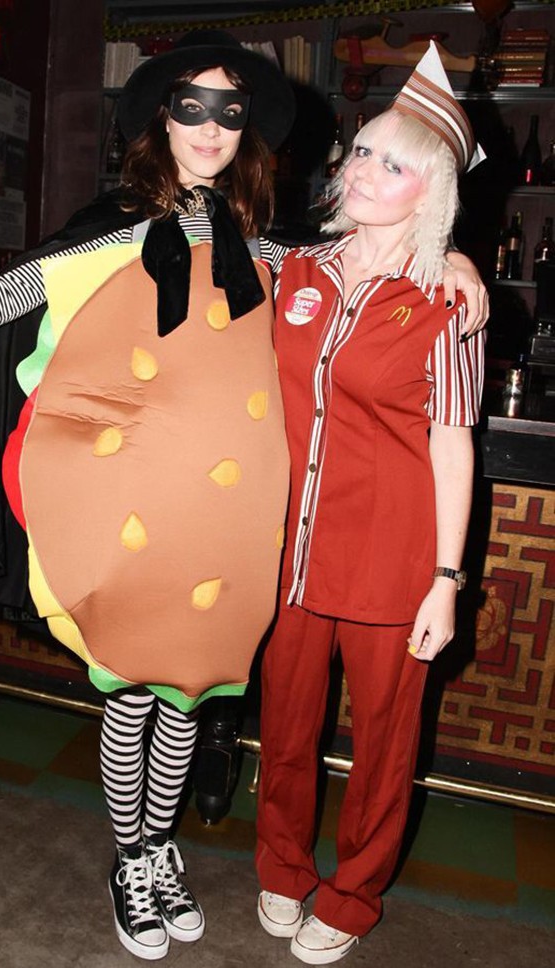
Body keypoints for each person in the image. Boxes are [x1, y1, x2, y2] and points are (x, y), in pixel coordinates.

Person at [0, 31, 484, 964]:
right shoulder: (113, 233)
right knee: (131, 693)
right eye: (190, 107)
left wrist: (453, 258)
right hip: (133, 512)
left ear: (246, 127)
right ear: (159, 122)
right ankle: (132, 858)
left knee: (187, 697)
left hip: (227, 526)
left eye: (229, 111)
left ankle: (160, 845)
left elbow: (381, 246)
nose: (210, 128)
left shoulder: (275, 251)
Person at [254, 42, 487, 965]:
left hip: (393, 558)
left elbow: (453, 442)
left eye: (393, 165)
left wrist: (445, 581)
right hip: (288, 549)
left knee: (385, 745)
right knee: (286, 723)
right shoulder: (292, 270)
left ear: (430, 195)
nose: (361, 171)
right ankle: (281, 868)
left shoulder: (445, 303)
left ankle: (352, 896)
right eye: (360, 151)